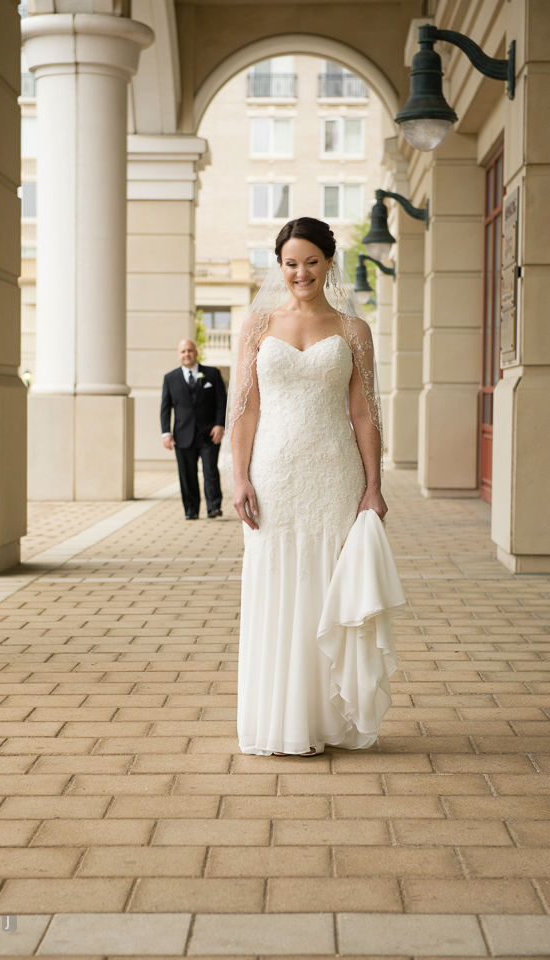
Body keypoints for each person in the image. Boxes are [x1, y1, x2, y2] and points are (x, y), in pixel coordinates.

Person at [227, 218, 406, 756]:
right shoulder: (257, 325)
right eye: (289, 262)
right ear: (277, 266)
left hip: (335, 474)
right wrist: (238, 477)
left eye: (310, 261)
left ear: (329, 262)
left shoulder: (355, 331)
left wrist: (374, 485)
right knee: (279, 583)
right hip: (275, 475)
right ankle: (281, 721)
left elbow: (364, 413)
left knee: (329, 586)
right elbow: (244, 408)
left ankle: (329, 719)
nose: (300, 272)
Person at [161, 339, 228, 520]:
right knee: (187, 474)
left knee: (210, 471)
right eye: (183, 351)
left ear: (196, 352)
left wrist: (220, 425)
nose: (187, 354)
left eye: (190, 350)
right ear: (179, 355)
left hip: (209, 434)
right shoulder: (170, 378)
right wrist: (166, 433)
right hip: (182, 435)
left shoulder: (212, 374)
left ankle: (214, 507)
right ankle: (191, 510)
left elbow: (222, 402)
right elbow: (165, 408)